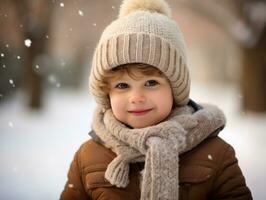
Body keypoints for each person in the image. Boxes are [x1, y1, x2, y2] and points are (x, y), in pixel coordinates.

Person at [60, 0, 252, 199]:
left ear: (175, 88)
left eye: (151, 83)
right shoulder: (88, 158)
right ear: (106, 94)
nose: (136, 98)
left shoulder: (216, 155)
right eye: (122, 86)